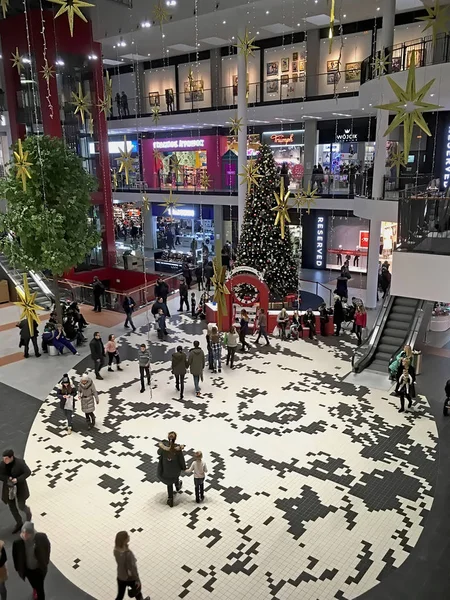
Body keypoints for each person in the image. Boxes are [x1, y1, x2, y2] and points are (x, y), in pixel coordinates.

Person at [12, 522, 50, 600]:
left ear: (32, 533)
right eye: (23, 532)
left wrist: (45, 561)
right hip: (27, 570)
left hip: (39, 568)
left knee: (40, 588)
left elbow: (47, 548)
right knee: (33, 583)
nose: (25, 535)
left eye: (27, 533)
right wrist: (18, 569)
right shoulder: (18, 543)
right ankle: (34, 588)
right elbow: (15, 556)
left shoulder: (41, 538)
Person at [0, 450, 32, 534]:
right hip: (9, 489)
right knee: (12, 506)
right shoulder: (2, 464)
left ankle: (27, 512)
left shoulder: (20, 463)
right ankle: (19, 522)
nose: (4, 460)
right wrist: (7, 479)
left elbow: (28, 472)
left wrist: (17, 479)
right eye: (4, 459)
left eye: (6, 459)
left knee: (21, 505)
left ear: (11, 457)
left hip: (20, 488)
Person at [113, 531, 150, 600]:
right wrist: (137, 579)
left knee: (120, 595)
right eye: (127, 536)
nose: (129, 537)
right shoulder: (128, 554)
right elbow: (132, 568)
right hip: (130, 577)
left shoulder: (116, 550)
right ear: (124, 540)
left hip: (121, 576)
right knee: (138, 593)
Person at [157, 432, 186, 507]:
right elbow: (181, 459)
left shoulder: (164, 447)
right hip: (175, 470)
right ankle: (177, 486)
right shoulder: (177, 449)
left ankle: (170, 498)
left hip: (166, 470)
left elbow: (158, 452)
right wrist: (183, 467)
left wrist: (161, 446)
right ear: (175, 438)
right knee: (175, 477)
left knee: (169, 484)